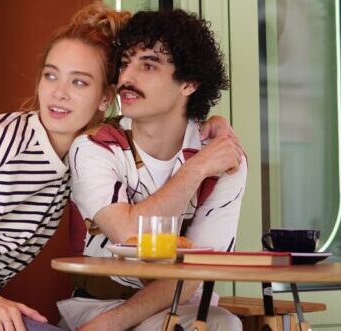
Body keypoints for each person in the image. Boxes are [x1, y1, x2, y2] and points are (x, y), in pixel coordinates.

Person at [0, 3, 234, 331]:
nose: (59, 92)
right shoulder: (3, 145)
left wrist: (208, 125)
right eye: (51, 75)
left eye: (79, 82)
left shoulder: (84, 149)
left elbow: (158, 127)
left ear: (105, 98)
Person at [59, 9, 247, 331]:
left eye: (147, 65)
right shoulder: (94, 147)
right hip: (97, 308)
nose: (126, 78)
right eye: (125, 63)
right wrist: (196, 169)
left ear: (188, 82)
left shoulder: (224, 159)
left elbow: (197, 271)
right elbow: (130, 235)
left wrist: (115, 324)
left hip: (180, 308)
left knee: (223, 325)